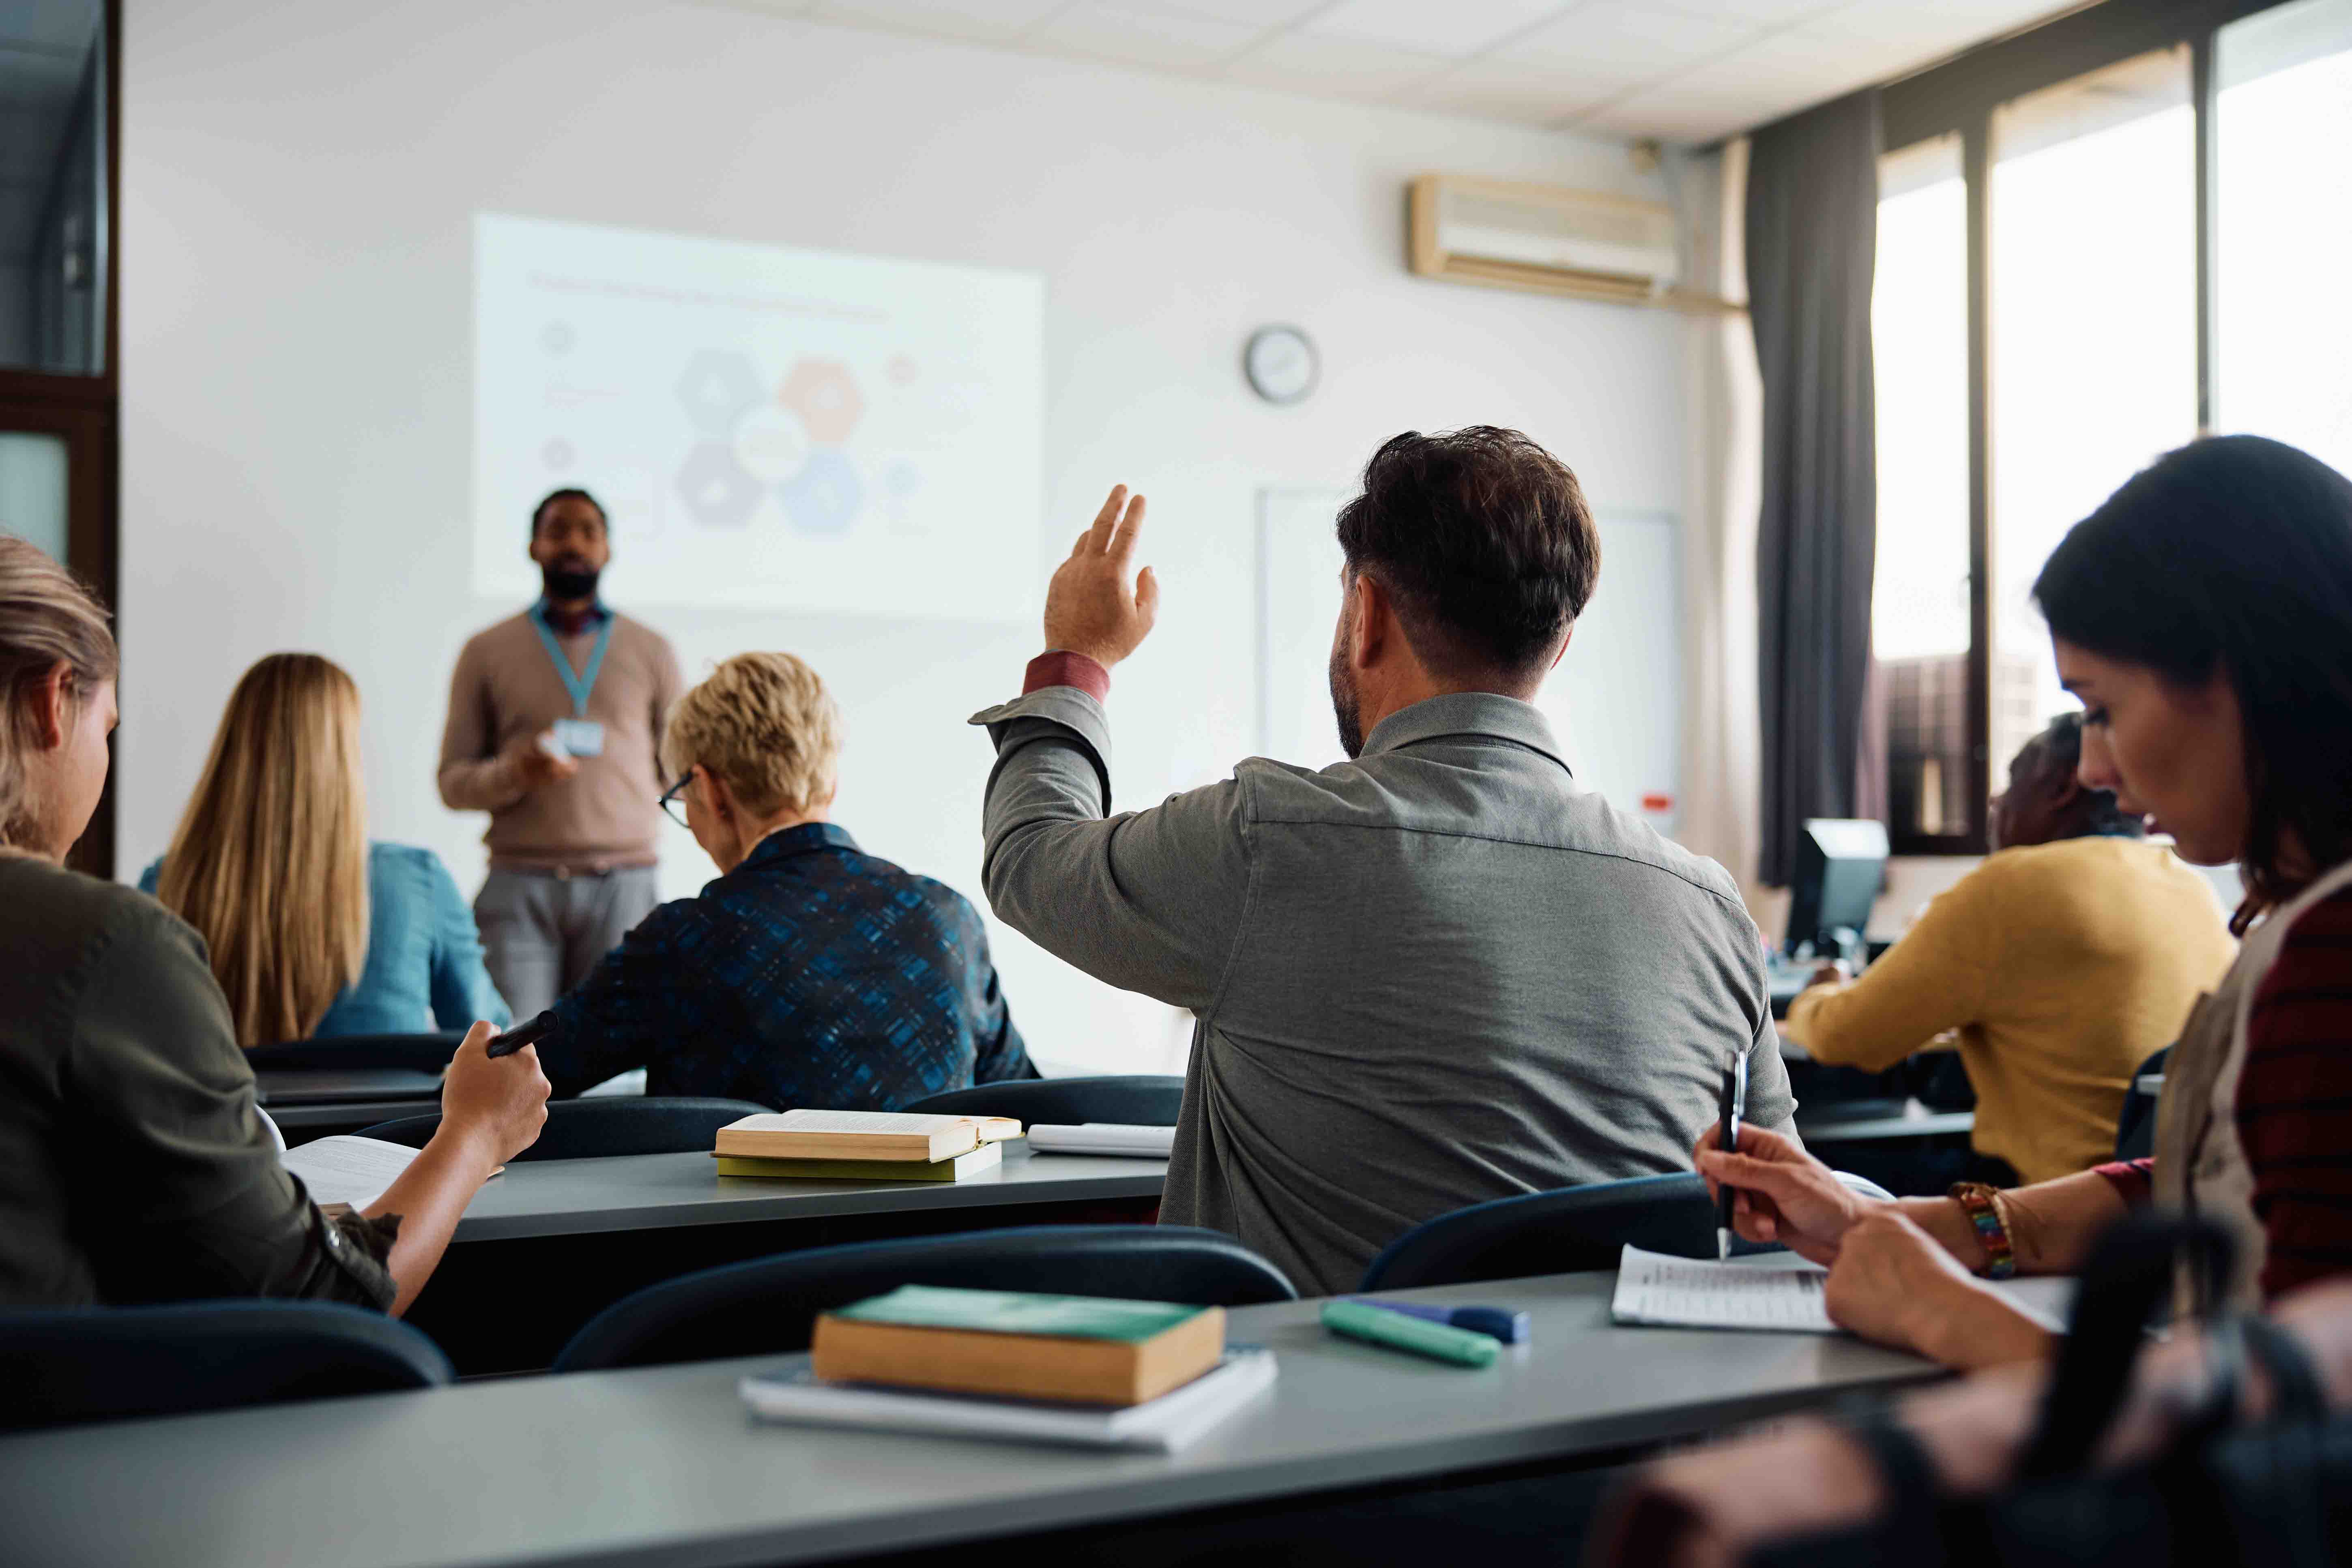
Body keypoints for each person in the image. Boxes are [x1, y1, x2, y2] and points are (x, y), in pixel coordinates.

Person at [968, 428, 1797, 1295]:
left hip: (1308, 1423)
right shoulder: (1711, 909)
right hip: (1623, 1422)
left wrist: (1078, 658)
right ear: (1557, 644)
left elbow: (1030, 857)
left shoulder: (1272, 843)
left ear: (1367, 615)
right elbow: (1782, 1204)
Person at [1697, 435, 2352, 1370]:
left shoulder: (2330, 952)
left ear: (2234, 674)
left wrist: (1943, 1314)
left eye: (2100, 708)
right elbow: (2205, 1185)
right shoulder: (2275, 911)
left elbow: (2295, 1430)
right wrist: (1902, 1226)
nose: (2091, 766)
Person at [0, 537, 547, 1311]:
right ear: (51, 704)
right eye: (109, 727)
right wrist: (476, 1134)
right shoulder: (106, 942)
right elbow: (319, 1293)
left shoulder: (165, 885)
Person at [532, 651, 1033, 1106]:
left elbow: (522, 1076)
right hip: (934, 1211)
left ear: (708, 789)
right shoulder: (948, 919)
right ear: (830, 777)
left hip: (741, 1212)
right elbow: (1024, 1099)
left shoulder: (686, 939)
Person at [1781, 711, 2236, 1186]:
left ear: (2061, 787)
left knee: (1812, 1159)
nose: (1998, 799)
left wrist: (1820, 991)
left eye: (2013, 778)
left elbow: (1847, 1039)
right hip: (2167, 1193)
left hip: (2049, 1200)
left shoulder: (2014, 884)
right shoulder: (2192, 885)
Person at [140, 653, 511, 1046]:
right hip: (386, 1111)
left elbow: (138, 1041)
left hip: (230, 1111)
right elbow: (493, 1040)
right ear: (343, 756)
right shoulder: (418, 882)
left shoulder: (167, 887)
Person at [438, 488, 683, 1018]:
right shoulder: (485, 650)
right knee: (513, 1057)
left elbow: (682, 771)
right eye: (557, 530)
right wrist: (514, 773)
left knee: (619, 1068)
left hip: (625, 886)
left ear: (608, 549)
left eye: (588, 531)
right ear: (533, 546)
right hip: (519, 887)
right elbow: (452, 782)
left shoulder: (652, 649)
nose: (573, 542)